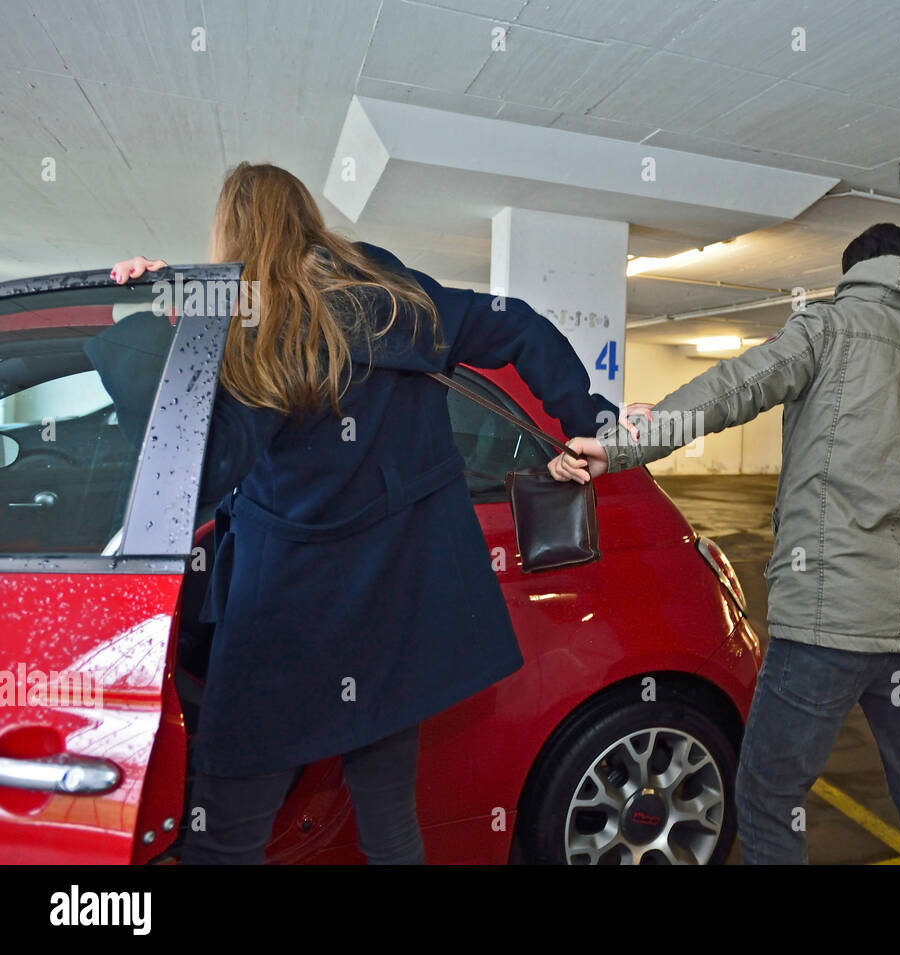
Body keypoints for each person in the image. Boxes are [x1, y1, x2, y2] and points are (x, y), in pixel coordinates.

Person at [109, 161, 618, 864]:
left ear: (233, 233)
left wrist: (144, 326)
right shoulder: (394, 299)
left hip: (282, 627)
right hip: (388, 622)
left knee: (225, 839)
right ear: (306, 218)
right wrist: (590, 417)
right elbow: (518, 324)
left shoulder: (259, 329)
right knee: (391, 827)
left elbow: (199, 470)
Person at [550, 223, 900, 864]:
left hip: (828, 617)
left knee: (769, 797)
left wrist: (623, 446)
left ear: (853, 273)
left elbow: (731, 391)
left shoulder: (827, 327)